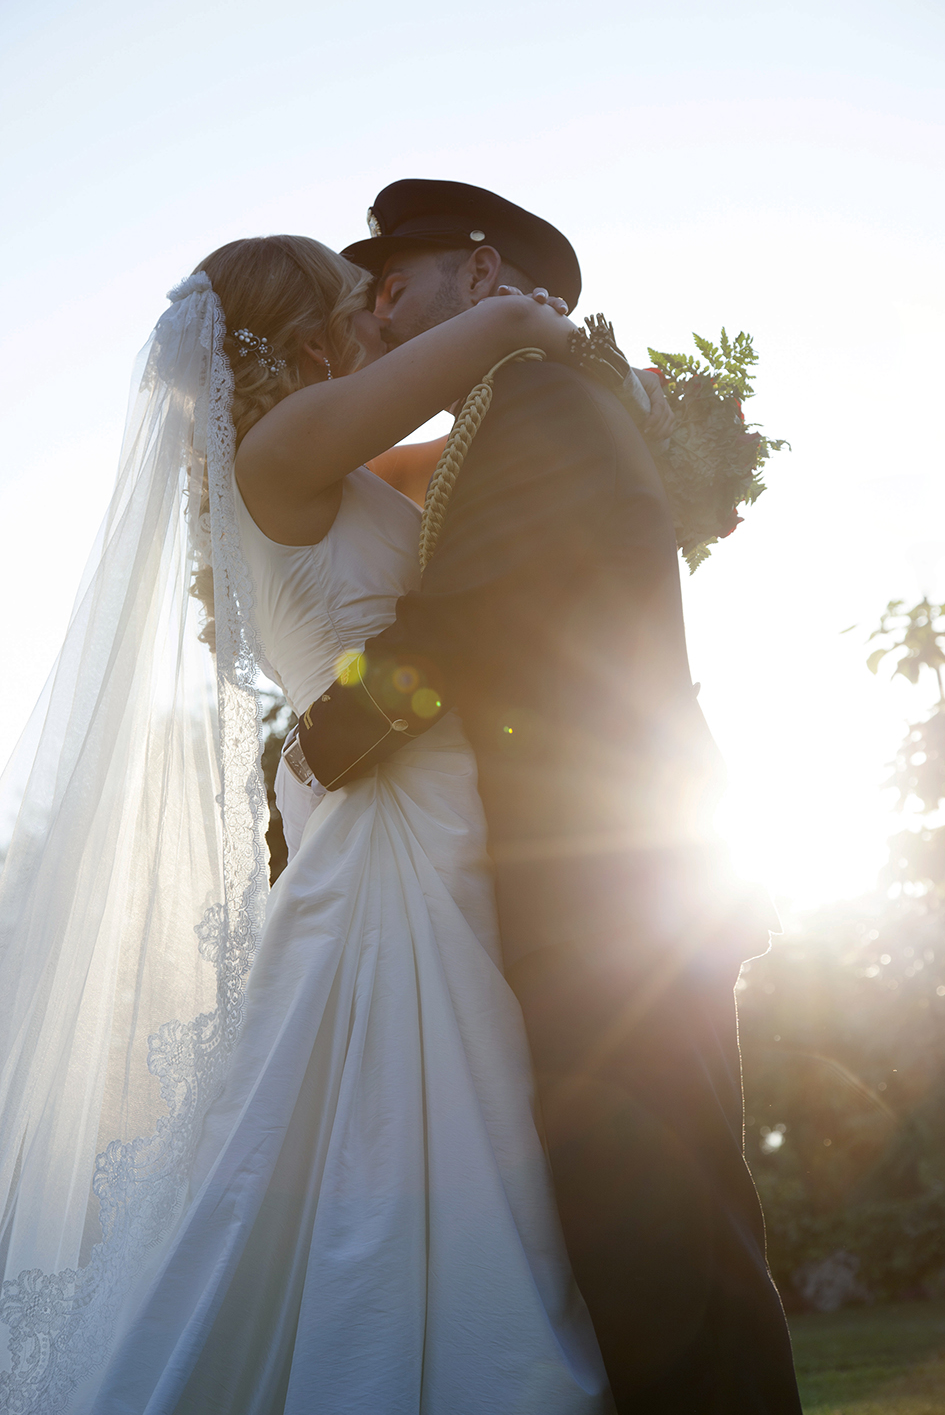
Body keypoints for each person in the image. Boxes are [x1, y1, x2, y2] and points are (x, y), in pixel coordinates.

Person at [0, 236, 613, 1413]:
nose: (379, 325)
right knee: (411, 1113)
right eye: (354, 307)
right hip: (397, 829)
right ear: (307, 342)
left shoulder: (330, 468)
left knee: (383, 1126)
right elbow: (486, 340)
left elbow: (484, 487)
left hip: (416, 802)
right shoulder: (281, 452)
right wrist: (552, 334)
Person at [298, 179, 804, 1413]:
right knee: (659, 1234)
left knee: (659, 1247)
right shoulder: (525, 404)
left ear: (480, 277)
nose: (371, 315)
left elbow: (457, 627)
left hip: (607, 892)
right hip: (624, 875)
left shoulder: (533, 400)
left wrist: (315, 750)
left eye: (392, 285)